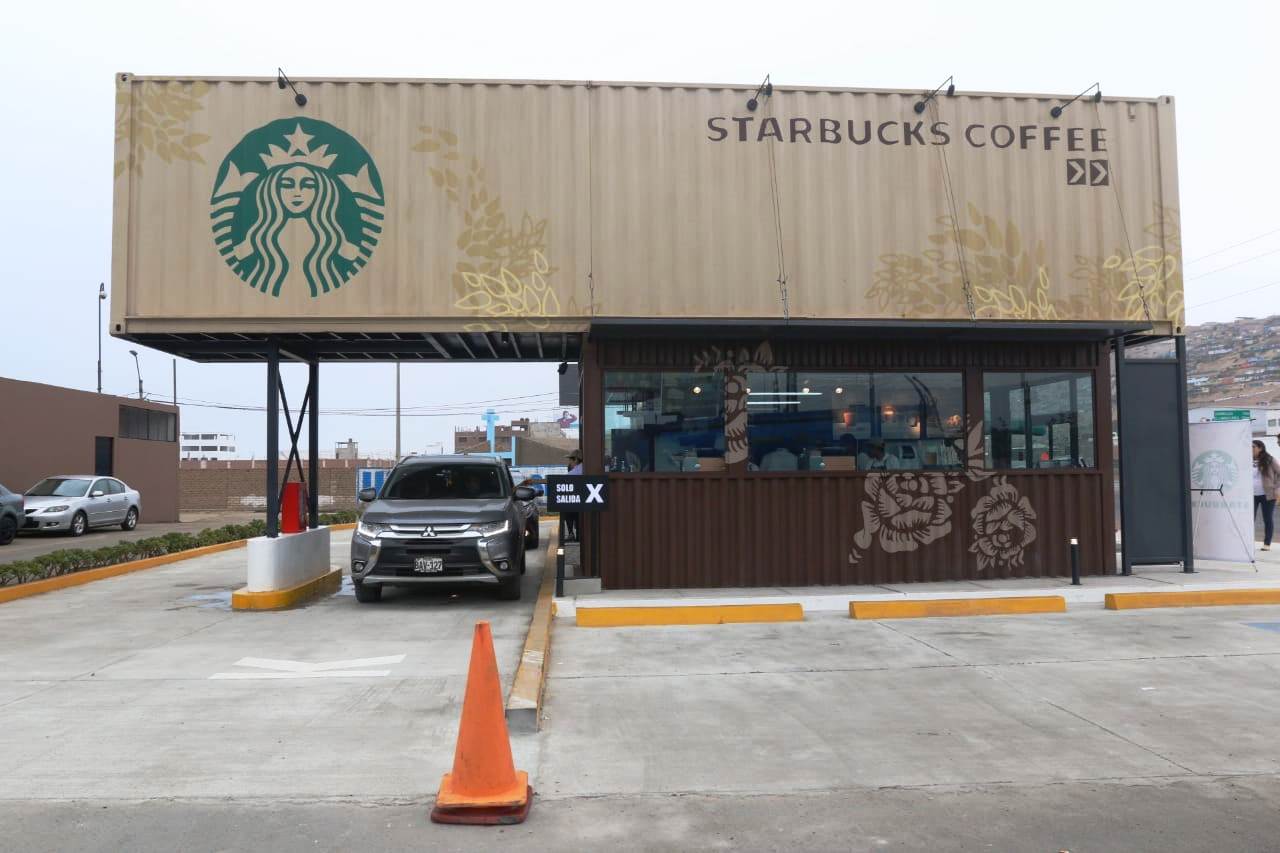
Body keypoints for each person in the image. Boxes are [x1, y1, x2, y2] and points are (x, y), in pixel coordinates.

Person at [1253, 439, 1280, 551]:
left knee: (1267, 518)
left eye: (1253, 447)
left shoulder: (1269, 460)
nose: (1251, 449)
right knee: (1249, 519)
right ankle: (1247, 542)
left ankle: (1267, 544)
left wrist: (1276, 488)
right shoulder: (1246, 460)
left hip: (1267, 494)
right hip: (1251, 495)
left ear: (1260, 448)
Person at [562, 449, 583, 542]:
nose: (569, 462)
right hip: (587, 501)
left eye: (570, 459)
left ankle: (571, 533)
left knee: (567, 509)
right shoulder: (587, 469)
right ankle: (579, 534)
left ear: (576, 460)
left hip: (578, 501)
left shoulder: (572, 473)